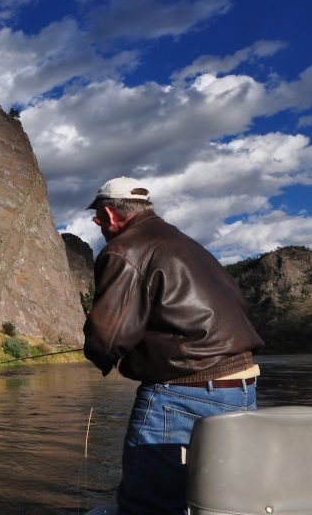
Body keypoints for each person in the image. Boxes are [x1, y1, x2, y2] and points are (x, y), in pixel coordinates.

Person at [82, 177, 264, 515]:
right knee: (217, 499)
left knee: (149, 504)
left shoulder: (125, 248)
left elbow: (108, 337)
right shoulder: (188, 244)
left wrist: (105, 357)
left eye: (97, 221)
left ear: (109, 215)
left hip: (182, 394)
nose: (100, 228)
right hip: (242, 389)